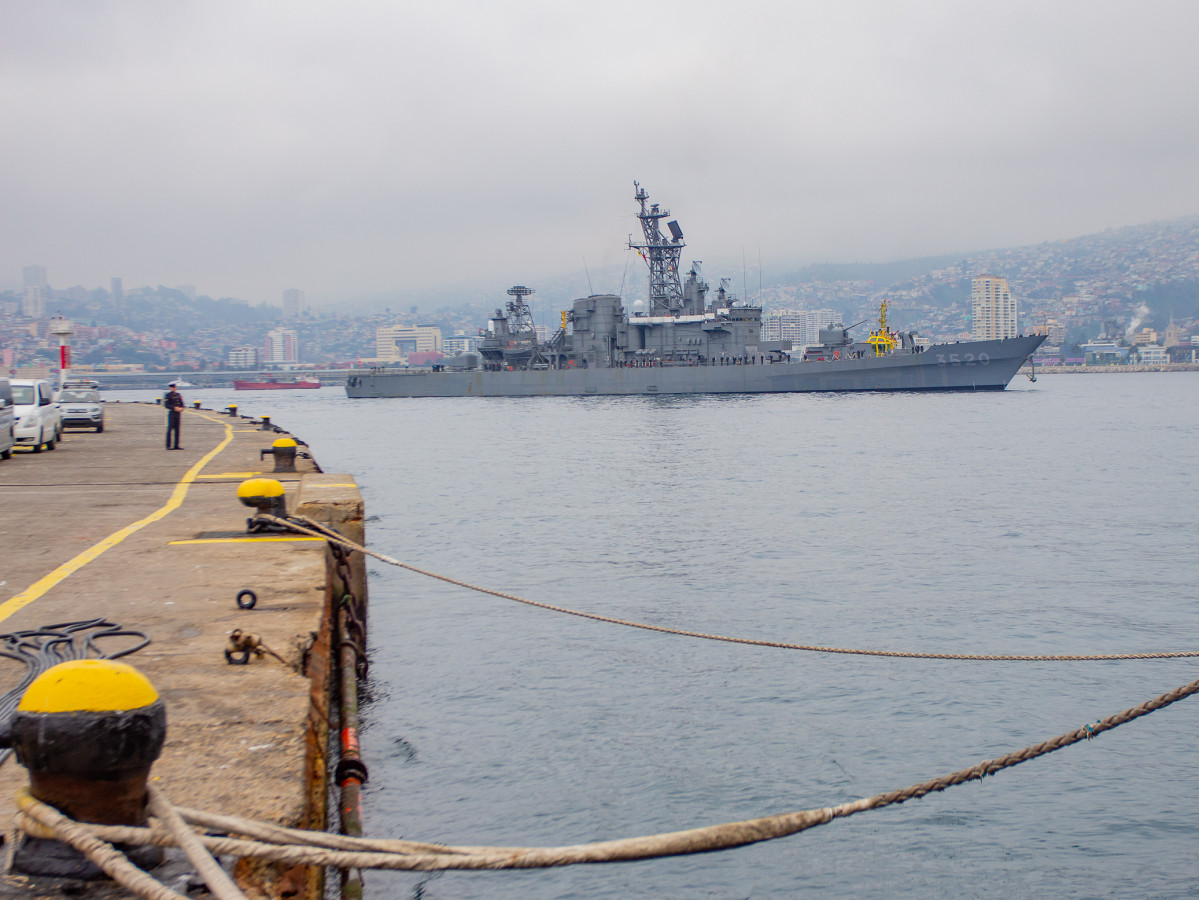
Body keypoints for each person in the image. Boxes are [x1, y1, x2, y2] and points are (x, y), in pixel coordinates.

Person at [164, 382, 184, 450]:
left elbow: (181, 403)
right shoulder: (168, 395)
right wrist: (174, 408)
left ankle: (176, 445)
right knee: (170, 429)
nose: (174, 389)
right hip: (172, 413)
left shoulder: (178, 395)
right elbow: (166, 405)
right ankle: (168, 445)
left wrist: (181, 408)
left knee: (177, 430)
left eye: (175, 387)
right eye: (172, 387)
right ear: (170, 388)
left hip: (178, 414)